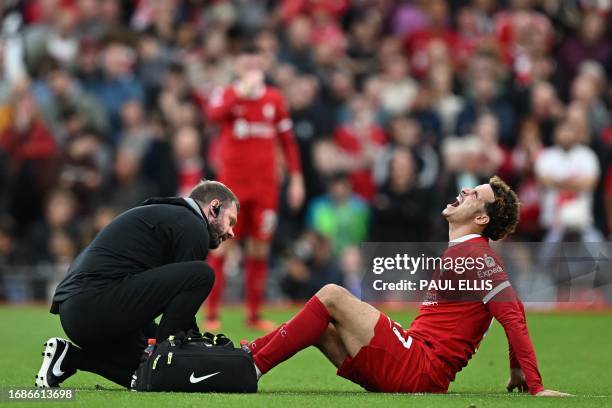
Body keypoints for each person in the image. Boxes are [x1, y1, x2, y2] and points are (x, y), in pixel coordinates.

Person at [243, 176, 569, 396]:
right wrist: (516, 371)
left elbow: (512, 313)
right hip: (415, 361)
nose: (467, 191)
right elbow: (517, 310)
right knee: (323, 326)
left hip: (421, 368)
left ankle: (252, 367)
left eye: (476, 195)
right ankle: (250, 356)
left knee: (332, 295)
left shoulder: (477, 257)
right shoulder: (466, 252)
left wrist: (536, 386)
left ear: (482, 219)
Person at [35, 180, 239, 389]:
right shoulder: (193, 225)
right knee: (202, 274)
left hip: (80, 312)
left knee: (145, 377)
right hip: (96, 303)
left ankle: (69, 357)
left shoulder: (169, 215)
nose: (232, 232)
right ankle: (162, 356)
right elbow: (186, 302)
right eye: (230, 221)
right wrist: (190, 344)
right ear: (214, 207)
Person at [203, 45, 304, 330]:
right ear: (238, 66)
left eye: (256, 63)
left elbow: (288, 141)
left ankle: (254, 315)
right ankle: (211, 314)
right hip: (231, 191)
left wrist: (296, 178)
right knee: (221, 247)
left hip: (265, 189)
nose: (252, 69)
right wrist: (239, 93)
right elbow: (212, 117)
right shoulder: (227, 94)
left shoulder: (274, 99)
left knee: (259, 250)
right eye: (246, 63)